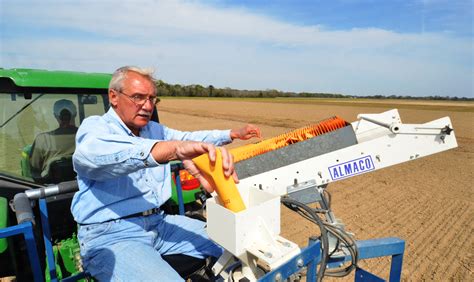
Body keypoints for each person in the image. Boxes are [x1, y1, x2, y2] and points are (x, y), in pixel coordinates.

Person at [71, 66, 261, 281]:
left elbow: (188, 138)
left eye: (152, 99)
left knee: (235, 241)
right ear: (114, 97)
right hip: (111, 234)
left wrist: (231, 134)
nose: (147, 105)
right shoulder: (96, 129)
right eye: (138, 97)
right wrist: (172, 149)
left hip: (158, 223)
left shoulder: (155, 130)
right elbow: (98, 156)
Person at [30, 99, 78, 182]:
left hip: (50, 190)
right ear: (75, 113)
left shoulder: (42, 140)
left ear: (56, 116)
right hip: (82, 186)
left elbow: (34, 169)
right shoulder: (88, 136)